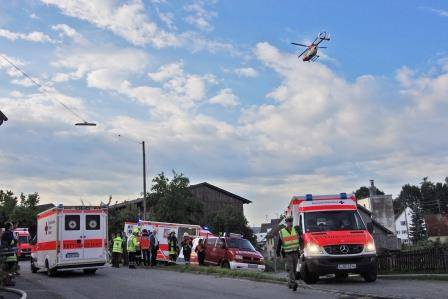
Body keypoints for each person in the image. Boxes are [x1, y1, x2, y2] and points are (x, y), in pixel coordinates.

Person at [276, 217, 300, 292]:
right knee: (291, 269)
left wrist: (302, 248)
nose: (290, 223)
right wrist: (278, 254)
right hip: (287, 253)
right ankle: (294, 284)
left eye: (291, 222)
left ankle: (290, 283)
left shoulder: (295, 230)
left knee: (294, 269)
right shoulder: (282, 232)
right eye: (288, 222)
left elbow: (300, 240)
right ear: (286, 223)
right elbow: (279, 244)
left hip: (295, 253)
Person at [1, 222, 18, 286]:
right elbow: (11, 242)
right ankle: (8, 282)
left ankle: (7, 281)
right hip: (9, 254)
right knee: (9, 269)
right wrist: (15, 240)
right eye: (11, 226)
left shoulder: (4, 233)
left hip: (5, 254)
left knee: (7, 269)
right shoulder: (9, 233)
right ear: (9, 227)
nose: (12, 226)